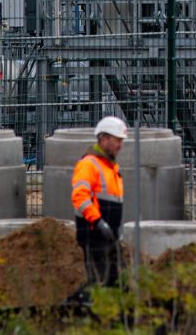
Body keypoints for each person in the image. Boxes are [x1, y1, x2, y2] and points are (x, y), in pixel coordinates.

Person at [71, 116, 127, 286]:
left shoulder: (110, 167)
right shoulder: (89, 165)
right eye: (117, 140)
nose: (120, 145)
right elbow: (80, 196)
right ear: (103, 139)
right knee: (98, 282)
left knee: (116, 280)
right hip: (93, 234)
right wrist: (98, 222)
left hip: (109, 235)